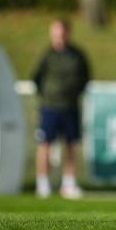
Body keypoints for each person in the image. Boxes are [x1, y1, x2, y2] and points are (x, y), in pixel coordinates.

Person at [32, 18, 90, 199]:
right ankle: (42, 184)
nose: (59, 36)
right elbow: (36, 78)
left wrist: (72, 93)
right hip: (50, 106)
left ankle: (69, 183)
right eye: (55, 32)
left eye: (62, 32)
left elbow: (85, 78)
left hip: (70, 106)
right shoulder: (47, 55)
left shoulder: (77, 55)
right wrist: (49, 95)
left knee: (70, 145)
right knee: (45, 145)